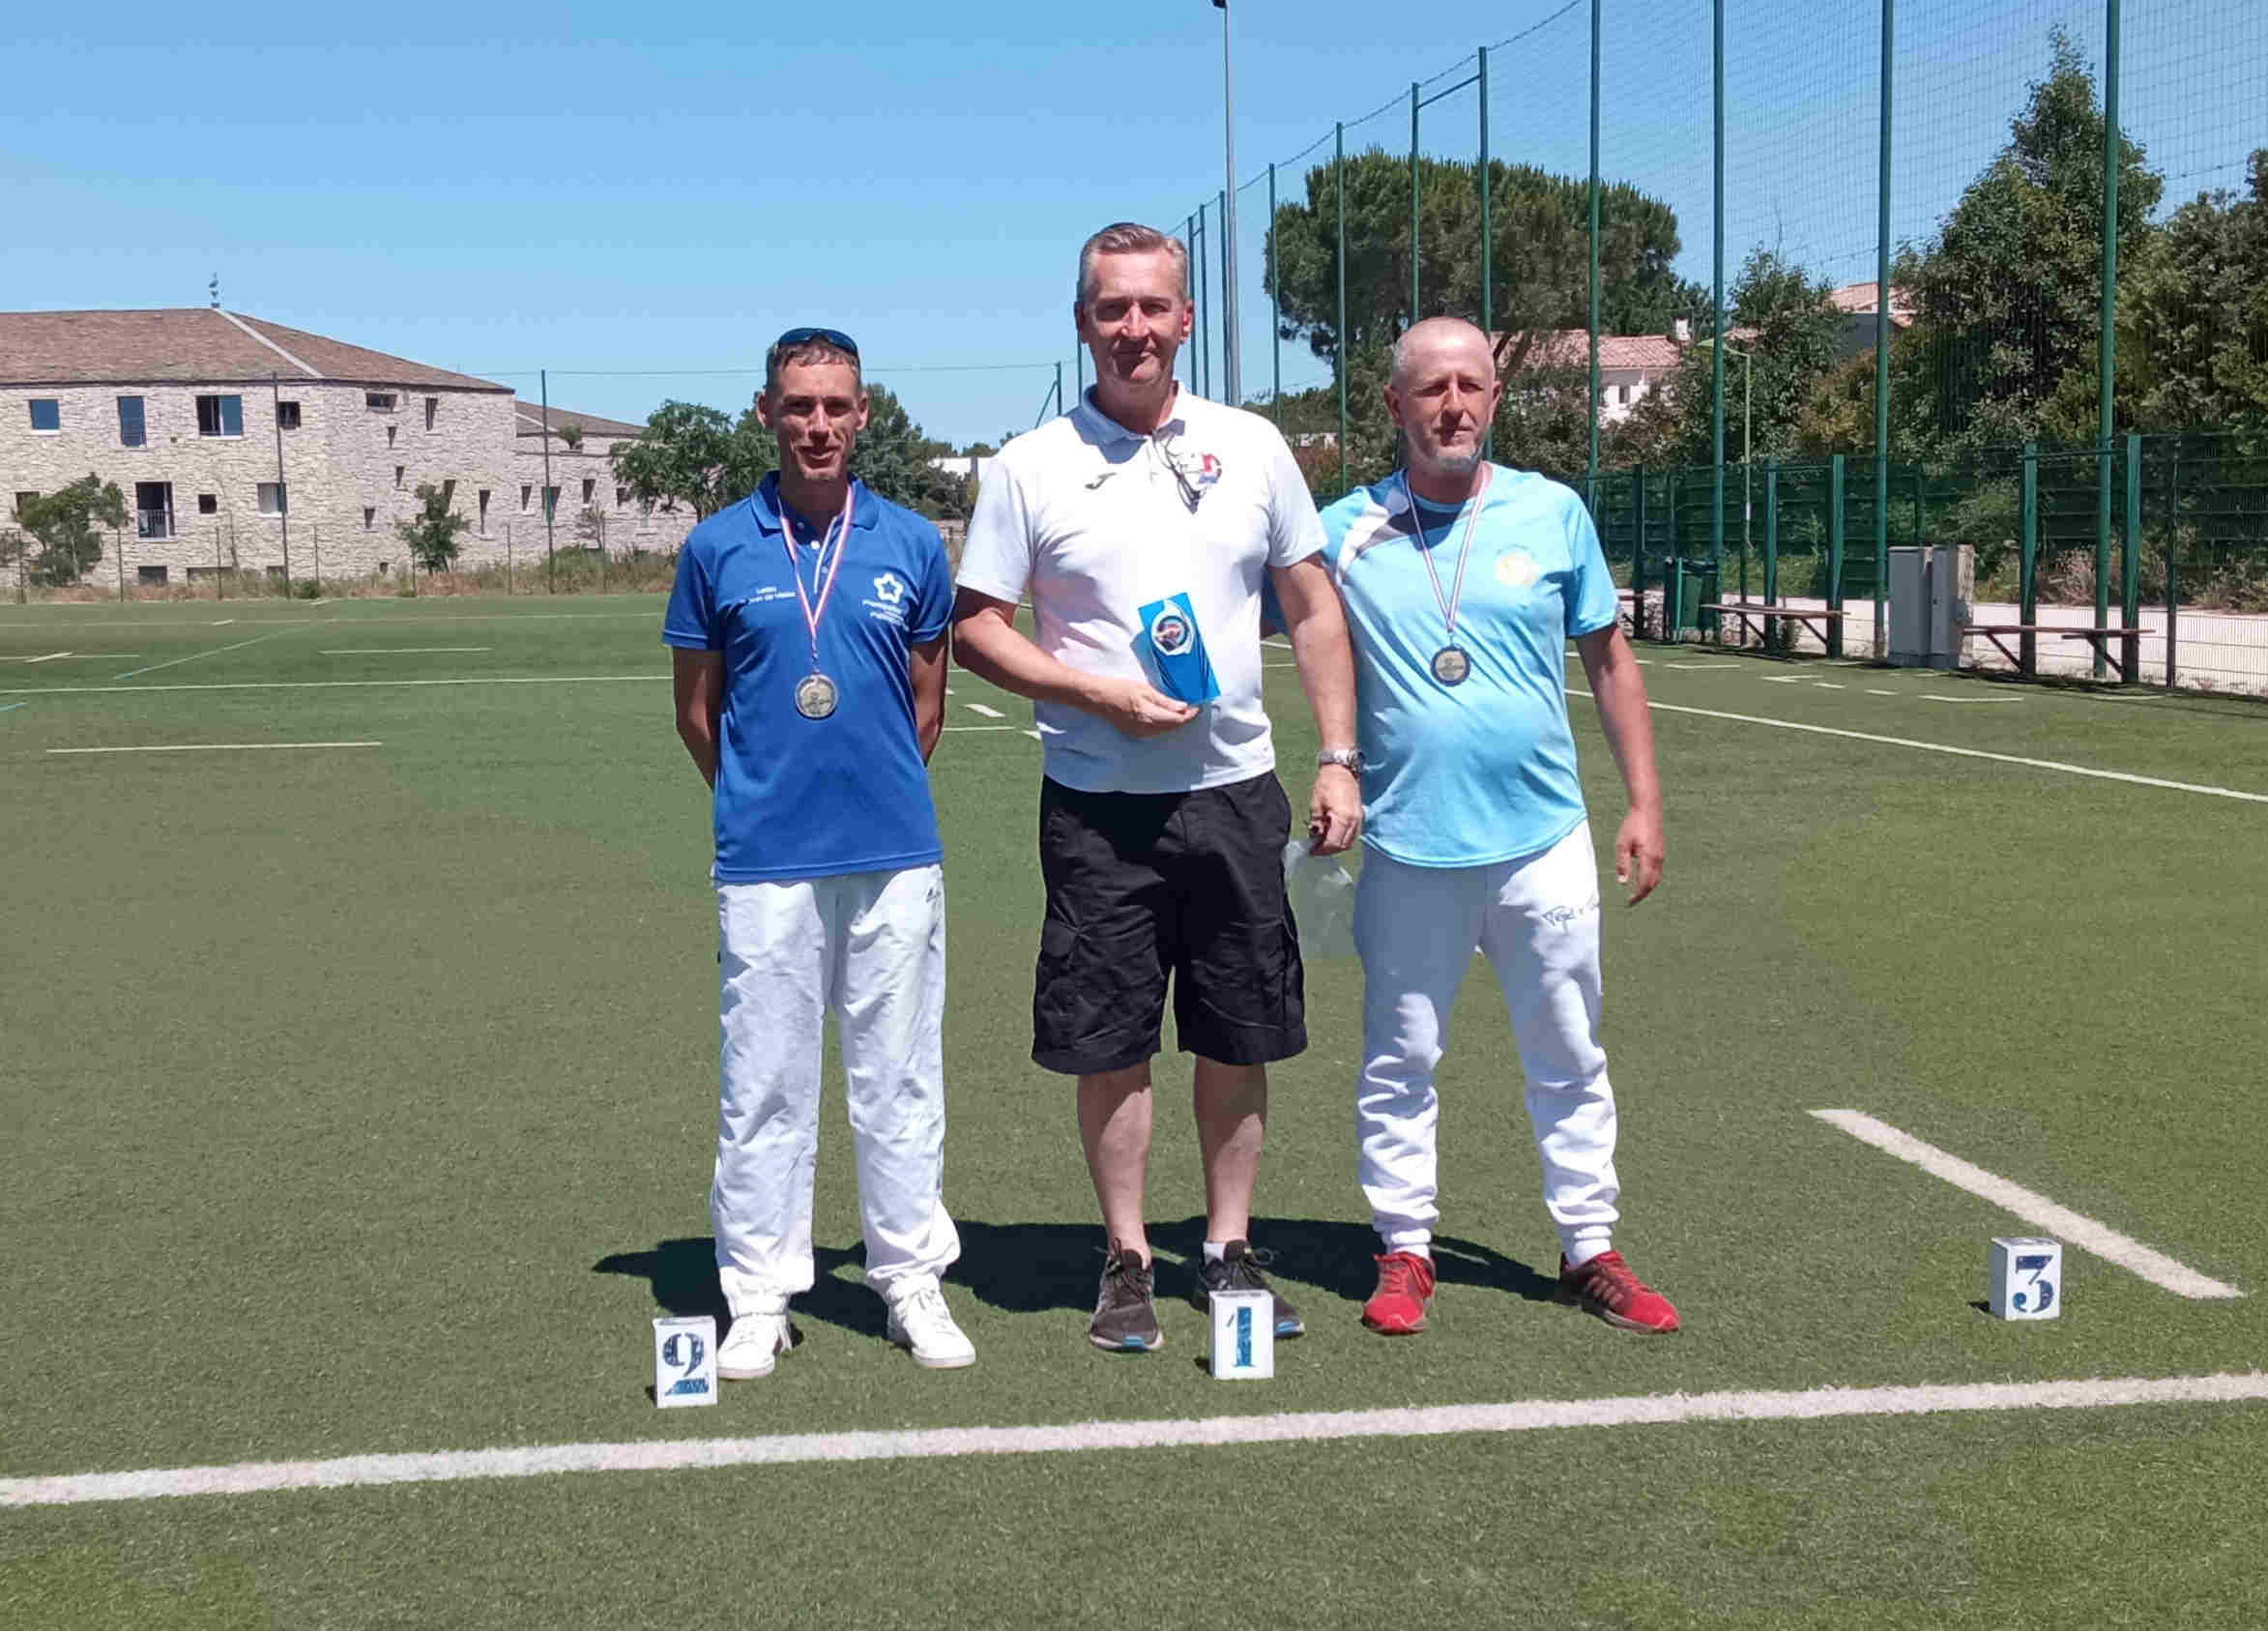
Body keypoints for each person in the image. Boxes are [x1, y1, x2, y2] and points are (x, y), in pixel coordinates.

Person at [952, 222, 1363, 1353]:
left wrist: (1337, 754)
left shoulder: (1254, 447)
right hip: (1098, 807)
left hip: (1236, 793)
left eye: (1151, 307)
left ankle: (1228, 1247)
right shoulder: (1028, 465)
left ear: (1186, 319)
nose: (1132, 327)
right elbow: (976, 627)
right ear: (1082, 322)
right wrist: (1096, 695)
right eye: (1110, 308)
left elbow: (1312, 605)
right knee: (1111, 1040)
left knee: (1239, 1031)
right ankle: (1127, 1255)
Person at [1318, 316, 1681, 1337]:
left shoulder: (1552, 511)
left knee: (1569, 1052)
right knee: (1400, 1057)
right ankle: (1404, 1247)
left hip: (1542, 839)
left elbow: (1610, 661)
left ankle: (1589, 1245)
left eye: (1470, 385)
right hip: (1407, 843)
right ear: (1395, 403)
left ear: (1494, 396)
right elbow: (1268, 618)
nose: (1454, 405)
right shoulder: (1344, 530)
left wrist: (1644, 800)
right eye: (1432, 387)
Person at [663, 325, 973, 1378]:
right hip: (765, 860)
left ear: (864, 414)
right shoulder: (716, 548)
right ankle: (758, 1295)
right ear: (766, 413)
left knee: (900, 1079)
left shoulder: (913, 543)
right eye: (799, 405)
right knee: (764, 1083)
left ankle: (910, 1280)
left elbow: (926, 706)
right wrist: (763, 798)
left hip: (894, 853)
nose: (819, 425)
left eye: (837, 405)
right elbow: (696, 714)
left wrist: (864, 790)